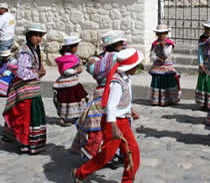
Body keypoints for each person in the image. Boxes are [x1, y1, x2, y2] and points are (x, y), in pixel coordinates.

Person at [72, 48, 143, 183]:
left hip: (122, 121)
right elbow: (111, 105)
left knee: (133, 152)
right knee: (106, 155)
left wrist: (130, 109)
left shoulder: (126, 78)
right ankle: (80, 173)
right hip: (113, 123)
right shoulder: (117, 82)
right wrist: (114, 126)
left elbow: (122, 99)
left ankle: (127, 180)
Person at [71, 30, 127, 160]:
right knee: (109, 125)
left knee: (101, 126)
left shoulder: (97, 60)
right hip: (109, 93)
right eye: (117, 42)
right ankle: (109, 154)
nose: (120, 44)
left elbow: (92, 69)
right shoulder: (116, 58)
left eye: (120, 41)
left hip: (104, 93)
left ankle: (108, 154)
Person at [2, 23, 47, 154]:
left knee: (33, 117)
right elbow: (22, 73)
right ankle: (26, 143)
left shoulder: (33, 50)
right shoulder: (24, 52)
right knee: (26, 118)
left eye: (40, 36)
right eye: (36, 36)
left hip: (32, 90)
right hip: (25, 92)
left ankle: (31, 143)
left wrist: (38, 72)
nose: (38, 39)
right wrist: (37, 73)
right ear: (29, 36)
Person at [53, 35, 88, 126]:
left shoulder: (72, 56)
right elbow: (66, 70)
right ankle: (64, 118)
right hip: (67, 84)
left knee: (75, 99)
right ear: (70, 47)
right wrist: (76, 70)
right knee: (68, 100)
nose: (77, 48)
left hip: (73, 82)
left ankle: (76, 115)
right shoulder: (67, 58)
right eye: (75, 46)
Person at [149, 24, 181, 106]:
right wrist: (157, 58)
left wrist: (163, 47)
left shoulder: (169, 44)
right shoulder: (154, 44)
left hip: (167, 66)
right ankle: (158, 100)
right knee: (158, 82)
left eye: (163, 33)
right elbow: (152, 55)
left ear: (166, 34)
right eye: (159, 34)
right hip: (157, 66)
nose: (161, 36)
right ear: (157, 34)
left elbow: (167, 54)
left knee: (168, 82)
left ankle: (169, 99)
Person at [195, 20, 210, 110]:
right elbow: (200, 51)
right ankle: (203, 103)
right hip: (204, 62)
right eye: (207, 29)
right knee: (203, 82)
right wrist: (200, 63)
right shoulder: (202, 39)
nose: (208, 31)